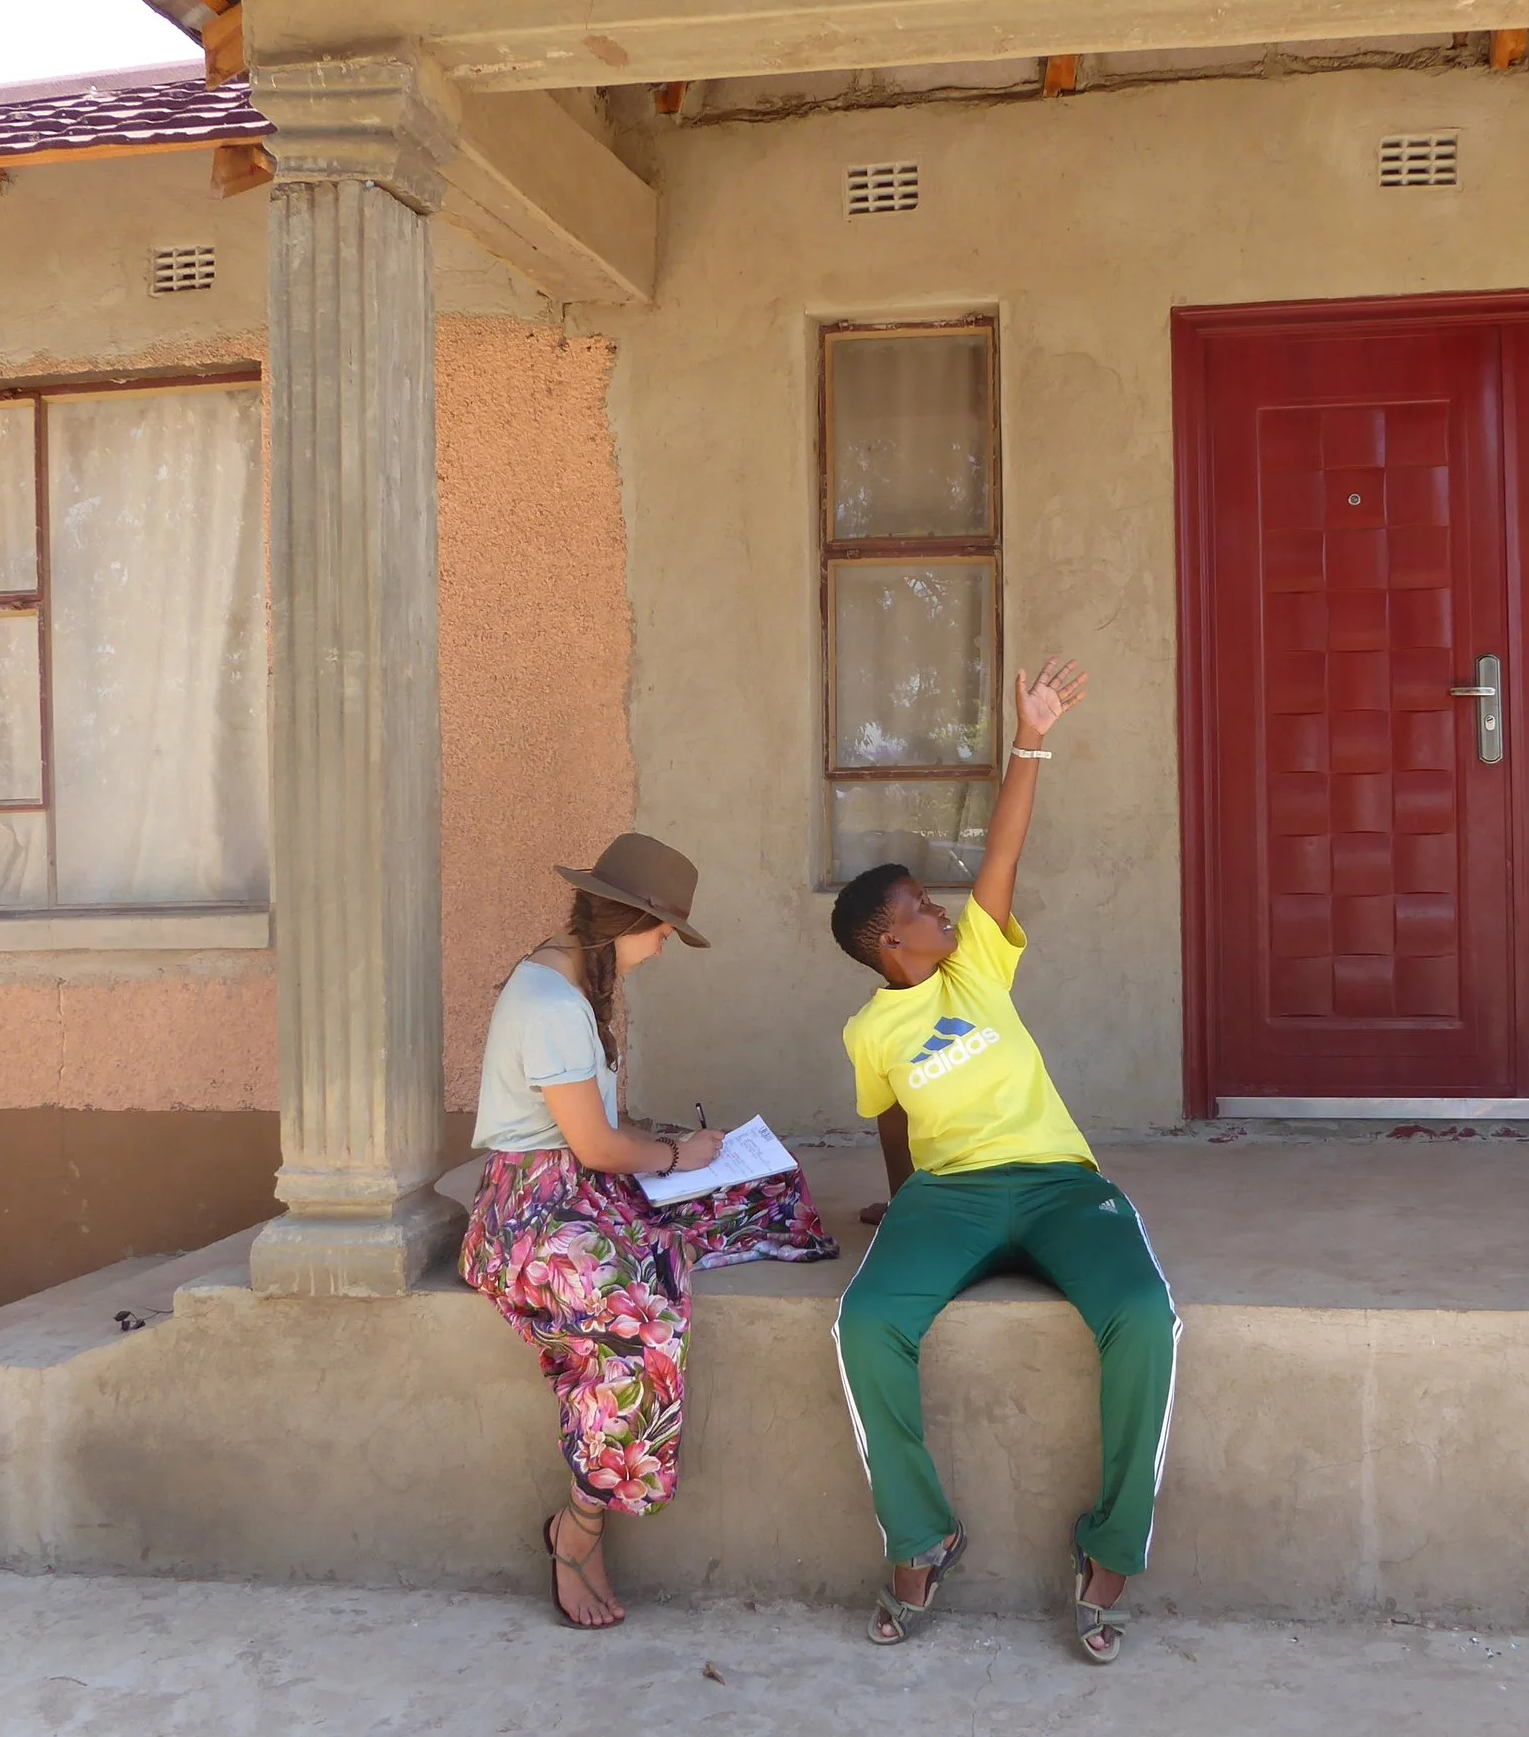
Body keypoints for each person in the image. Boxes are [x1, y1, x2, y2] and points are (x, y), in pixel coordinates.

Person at [828, 658, 1179, 1664]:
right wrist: (901, 1208)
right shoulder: (871, 1031)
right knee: (867, 1322)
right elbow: (890, 1122)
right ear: (891, 943)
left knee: (1144, 1316)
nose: (943, 911)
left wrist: (1032, 738)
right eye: (922, 909)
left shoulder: (976, 966)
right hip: (951, 1199)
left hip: (1059, 1184)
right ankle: (920, 1535)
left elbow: (1004, 851)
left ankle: (1111, 1547)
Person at [462, 832, 835, 1630]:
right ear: (628, 920)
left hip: (582, 1182)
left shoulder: (573, 979)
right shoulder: (552, 1004)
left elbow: (595, 1134)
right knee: (643, 1319)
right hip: (536, 1210)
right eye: (662, 930)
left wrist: (681, 1152)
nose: (663, 946)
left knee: (765, 1190)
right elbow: (595, 1146)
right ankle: (578, 1527)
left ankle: (671, 1218)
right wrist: (672, 1154)